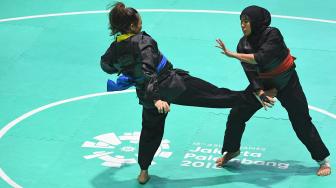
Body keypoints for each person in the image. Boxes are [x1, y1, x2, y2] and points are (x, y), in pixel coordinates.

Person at [100, 2, 275, 184]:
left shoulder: (115, 47)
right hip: (171, 85)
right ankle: (255, 95)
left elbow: (106, 65)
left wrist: (126, 68)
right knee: (214, 95)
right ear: (132, 26)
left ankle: (143, 171)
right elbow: (148, 71)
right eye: (139, 21)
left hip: (145, 94)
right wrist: (158, 98)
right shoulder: (143, 41)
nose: (141, 23)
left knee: (150, 131)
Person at [215, 5, 331, 176]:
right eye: (241, 21)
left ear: (256, 22)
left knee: (301, 121)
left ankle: (322, 160)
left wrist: (233, 55)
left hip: (287, 82)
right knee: (237, 113)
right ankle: (232, 150)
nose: (242, 25)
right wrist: (260, 92)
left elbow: (262, 57)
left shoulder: (273, 34)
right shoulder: (243, 44)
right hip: (264, 83)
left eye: (246, 21)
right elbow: (251, 72)